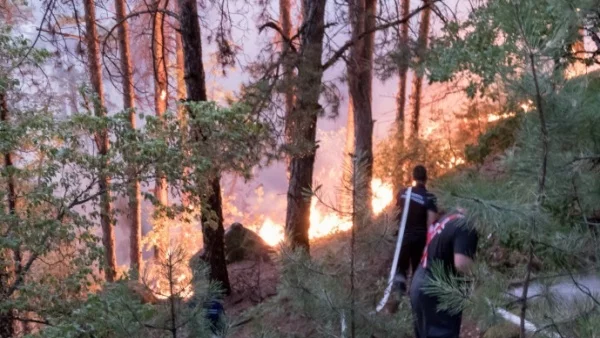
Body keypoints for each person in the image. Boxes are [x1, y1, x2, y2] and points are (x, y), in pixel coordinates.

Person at [410, 209, 479, 338]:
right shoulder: (465, 226)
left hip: (420, 283)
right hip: (437, 291)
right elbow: (462, 264)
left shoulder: (447, 218)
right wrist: (481, 279)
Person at [393, 165, 438, 293]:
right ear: (426, 178)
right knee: (418, 271)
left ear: (413, 177)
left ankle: (398, 296)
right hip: (419, 240)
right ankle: (414, 299)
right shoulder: (429, 198)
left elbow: (395, 214)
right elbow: (431, 222)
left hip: (403, 238)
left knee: (400, 270)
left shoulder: (403, 193)